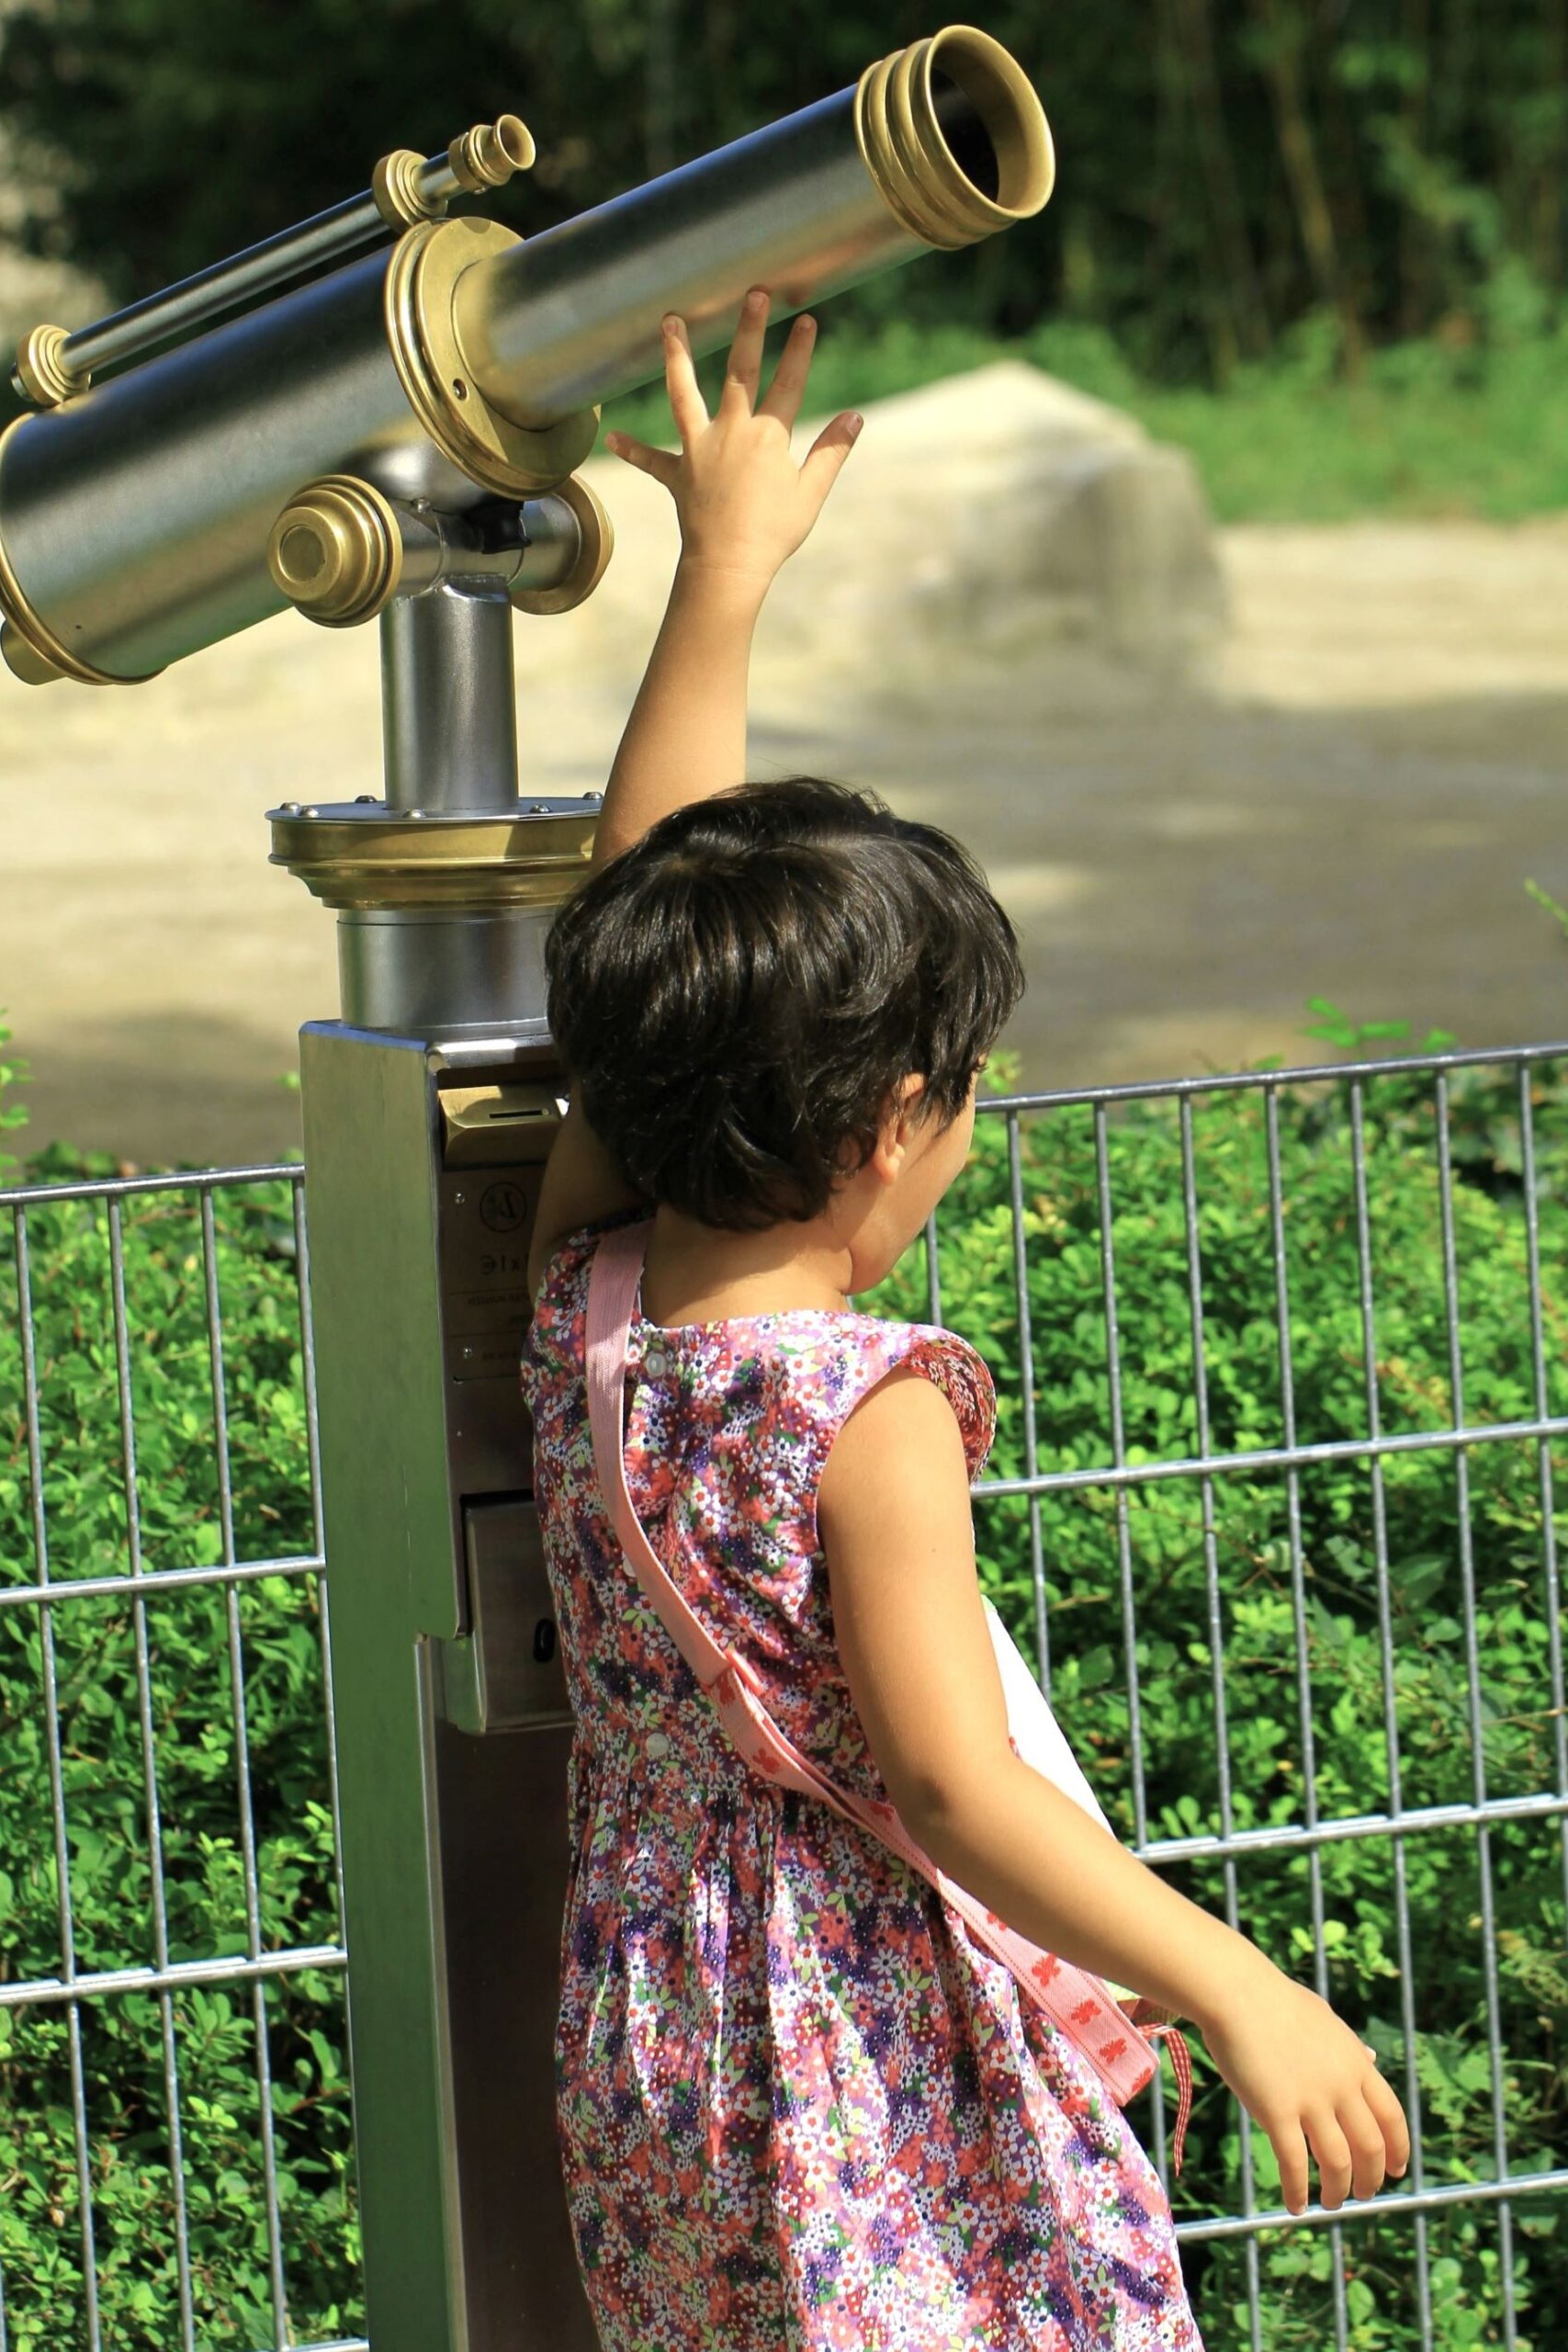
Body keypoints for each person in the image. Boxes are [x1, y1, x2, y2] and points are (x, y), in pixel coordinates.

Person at [519, 288, 1410, 2350]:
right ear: (894, 1127)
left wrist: (717, 579)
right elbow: (950, 1784)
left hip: (659, 2033)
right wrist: (1235, 1982)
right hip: (861, 2052)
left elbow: (642, 915)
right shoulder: (864, 1408)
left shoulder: (595, 1292)